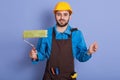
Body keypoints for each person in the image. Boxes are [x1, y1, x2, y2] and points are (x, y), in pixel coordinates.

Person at [29, 1, 98, 80]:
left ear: (70, 16)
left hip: (69, 77)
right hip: (49, 77)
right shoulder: (46, 33)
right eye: (59, 14)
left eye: (65, 14)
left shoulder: (77, 34)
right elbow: (42, 54)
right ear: (55, 15)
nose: (62, 17)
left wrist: (89, 52)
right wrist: (35, 56)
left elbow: (81, 57)